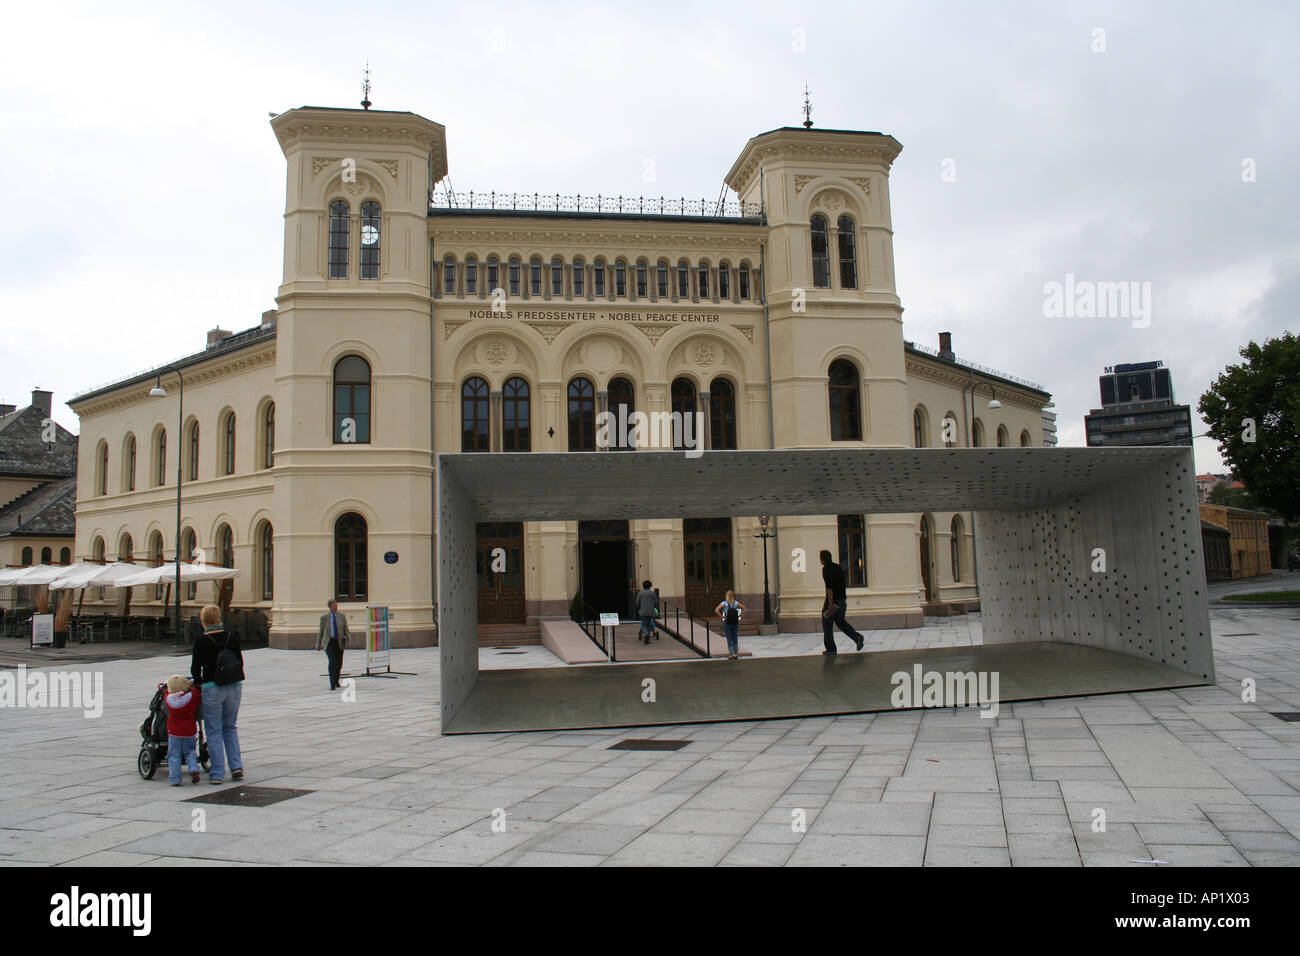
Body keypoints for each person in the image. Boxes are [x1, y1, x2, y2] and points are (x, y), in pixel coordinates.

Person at [190, 604, 244, 784]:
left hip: (212, 687)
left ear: (203, 620)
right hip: (234, 685)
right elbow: (239, 661)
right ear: (219, 618)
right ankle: (236, 766)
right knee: (230, 726)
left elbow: (195, 668)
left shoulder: (201, 641)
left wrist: (197, 683)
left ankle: (218, 773)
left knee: (213, 730)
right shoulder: (231, 637)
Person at [820, 549, 865, 655]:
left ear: (822, 559)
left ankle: (831, 649)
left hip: (833, 601)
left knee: (826, 622)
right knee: (840, 622)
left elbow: (829, 588)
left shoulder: (826, 569)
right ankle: (857, 637)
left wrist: (830, 604)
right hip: (842, 600)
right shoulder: (838, 567)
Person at [163, 674, 202, 786]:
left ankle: (175, 779)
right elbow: (196, 693)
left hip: (174, 733)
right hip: (189, 732)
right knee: (190, 752)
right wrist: (191, 686)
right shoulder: (192, 697)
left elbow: (165, 693)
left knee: (174, 755)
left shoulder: (168, 699)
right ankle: (193, 767)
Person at [317, 600, 351, 689]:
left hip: (339, 641)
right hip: (329, 642)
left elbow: (345, 629)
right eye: (334, 607)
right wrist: (318, 643)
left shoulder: (342, 616)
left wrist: (348, 639)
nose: (336, 608)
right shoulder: (324, 618)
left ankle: (336, 680)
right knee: (332, 661)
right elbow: (321, 631)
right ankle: (332, 683)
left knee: (339, 662)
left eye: (336, 606)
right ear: (330, 607)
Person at [715, 590, 746, 660]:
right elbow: (744, 608)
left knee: (729, 638)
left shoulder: (724, 603)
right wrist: (739, 615)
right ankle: (736, 653)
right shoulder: (736, 603)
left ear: (727, 596)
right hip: (735, 622)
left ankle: (731, 654)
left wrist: (722, 617)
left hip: (727, 622)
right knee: (735, 637)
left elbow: (716, 610)